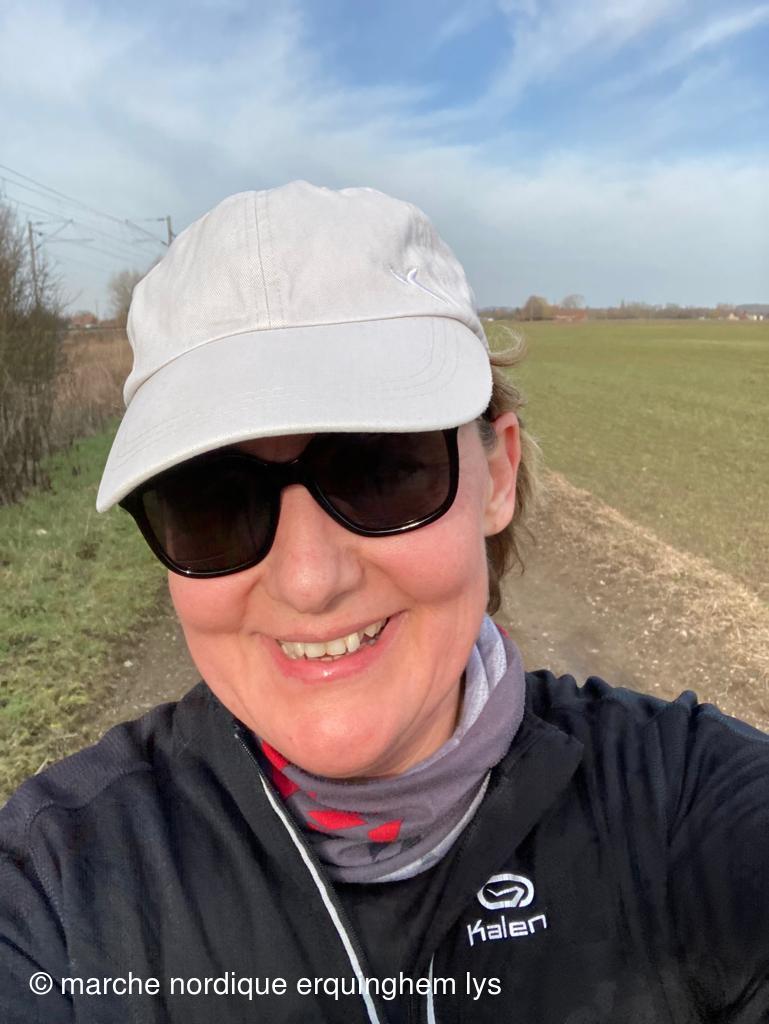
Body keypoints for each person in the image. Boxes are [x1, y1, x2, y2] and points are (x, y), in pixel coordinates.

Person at [1, 181, 768, 1024]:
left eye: (380, 470)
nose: (308, 580)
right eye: (212, 501)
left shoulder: (688, 808)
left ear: (497, 475)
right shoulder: (57, 888)